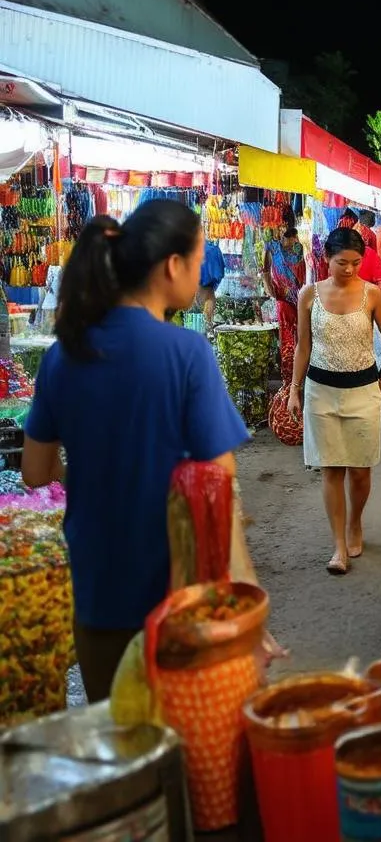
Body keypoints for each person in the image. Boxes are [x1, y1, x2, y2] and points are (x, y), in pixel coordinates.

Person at [21, 200, 259, 701]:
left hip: (97, 588)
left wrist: (97, 466)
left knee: (122, 747)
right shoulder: (185, 353)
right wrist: (244, 600)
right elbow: (218, 482)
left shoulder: (63, 355)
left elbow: (36, 472)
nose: (200, 275)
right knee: (190, 758)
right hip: (180, 594)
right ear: (172, 267)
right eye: (197, 263)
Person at [289, 228, 381, 575]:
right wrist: (295, 390)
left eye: (356, 263)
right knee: (331, 470)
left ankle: (355, 522)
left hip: (363, 392)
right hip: (320, 391)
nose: (349, 269)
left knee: (359, 471)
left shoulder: (372, 294)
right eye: (342, 262)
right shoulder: (308, 295)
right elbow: (303, 346)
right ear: (326, 258)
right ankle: (338, 546)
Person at [263, 211, 305, 385]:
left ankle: (298, 375)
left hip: (300, 297)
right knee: (287, 337)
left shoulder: (299, 247)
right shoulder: (271, 247)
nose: (293, 240)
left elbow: (304, 269)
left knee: (301, 336)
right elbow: (265, 271)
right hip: (283, 299)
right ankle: (289, 377)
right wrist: (271, 292)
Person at [197, 238, 225, 330]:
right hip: (209, 277)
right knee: (209, 296)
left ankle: (206, 324)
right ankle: (208, 324)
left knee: (205, 297)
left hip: (200, 277)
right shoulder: (214, 249)